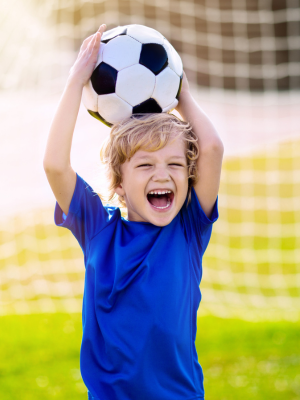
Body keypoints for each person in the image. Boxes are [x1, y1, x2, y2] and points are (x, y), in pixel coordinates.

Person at [43, 23, 224, 400]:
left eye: (175, 165)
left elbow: (211, 149)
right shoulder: (98, 229)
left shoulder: (188, 230)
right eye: (145, 166)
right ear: (120, 183)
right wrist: (76, 81)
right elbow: (55, 166)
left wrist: (182, 93)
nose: (163, 174)